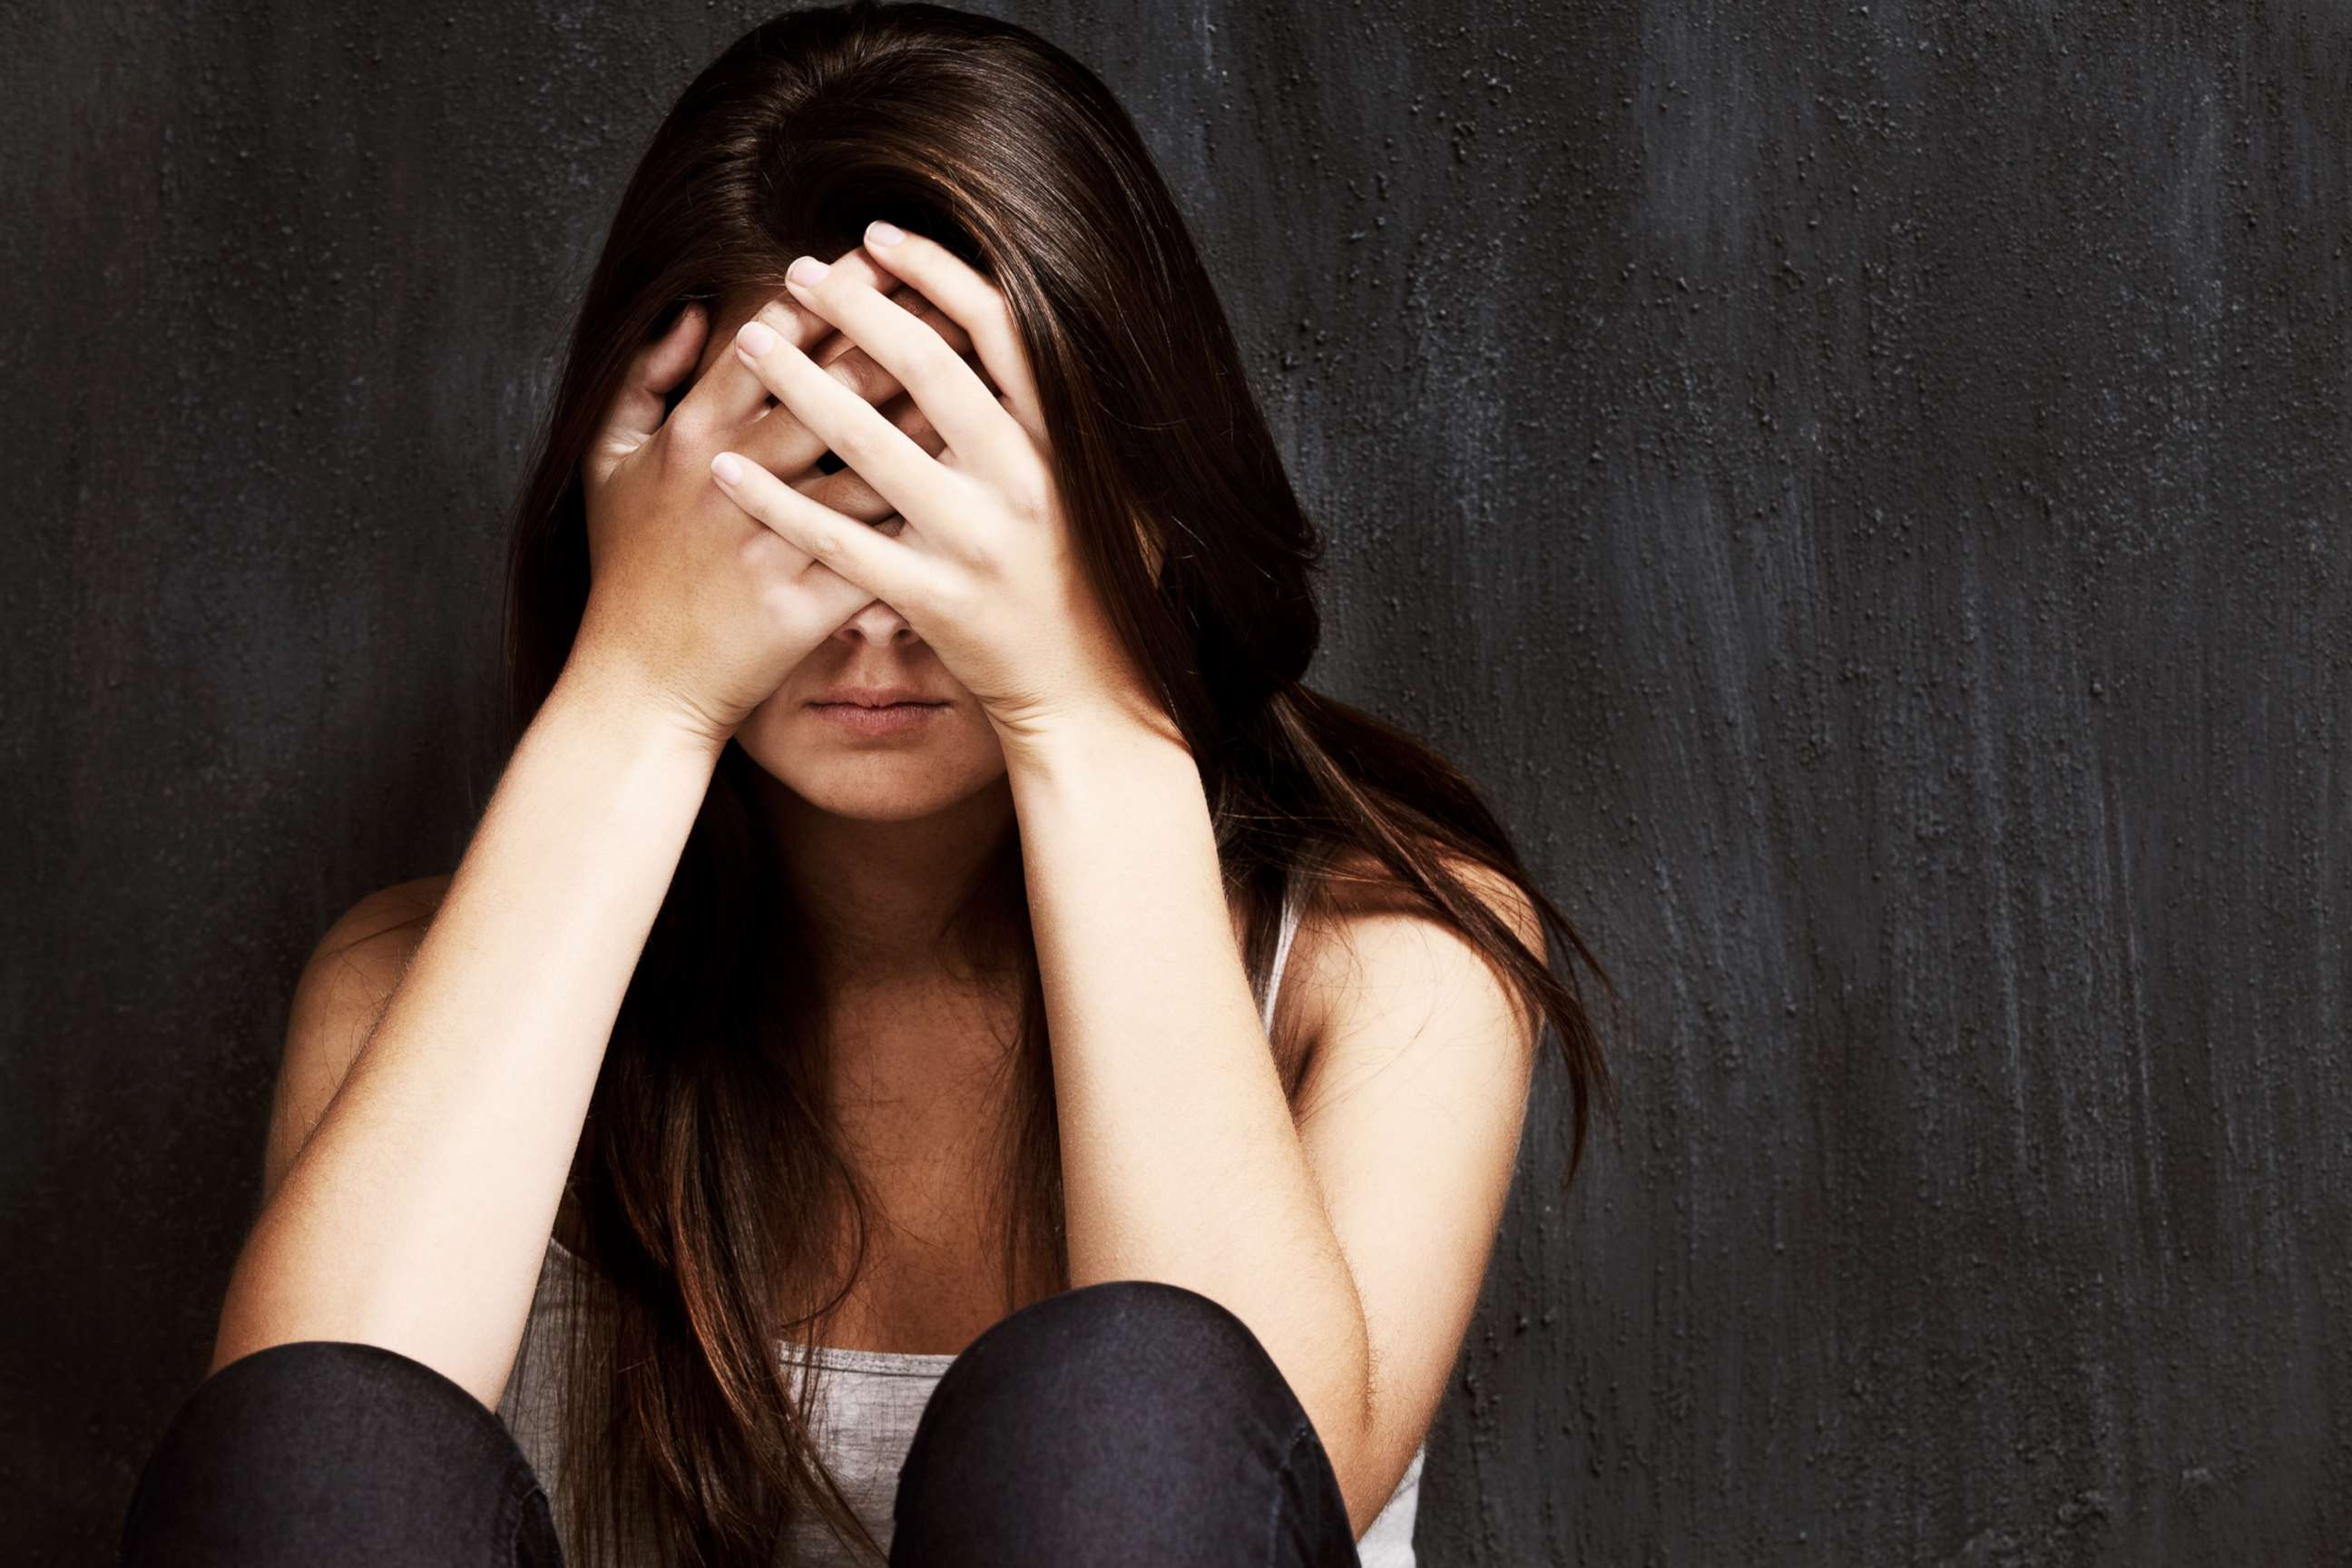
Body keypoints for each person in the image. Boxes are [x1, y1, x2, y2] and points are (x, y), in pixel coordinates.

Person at [118, 3, 1613, 1563]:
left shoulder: (1385, 974)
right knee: (322, 1446)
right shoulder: (400, 985)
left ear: (1142, 505)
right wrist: (638, 691)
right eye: (806, 489)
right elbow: (297, 1504)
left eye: (941, 494)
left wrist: (1085, 714)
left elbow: (1236, 1485)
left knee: (1132, 1406)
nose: (878, 612)